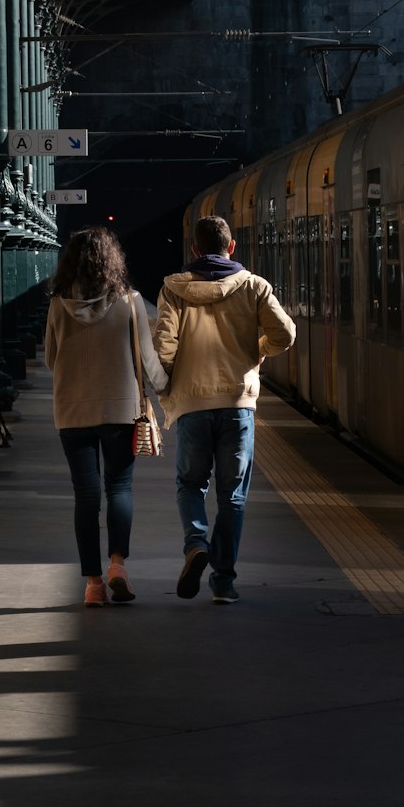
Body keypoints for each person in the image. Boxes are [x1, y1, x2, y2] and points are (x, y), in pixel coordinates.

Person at [154, 214, 296, 603]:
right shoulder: (254, 286)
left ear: (195, 250)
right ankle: (224, 582)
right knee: (232, 494)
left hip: (192, 404)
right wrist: (258, 350)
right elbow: (285, 334)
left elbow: (163, 346)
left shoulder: (174, 290)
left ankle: (196, 543)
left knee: (190, 484)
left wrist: (170, 378)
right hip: (237, 405)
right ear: (231, 247)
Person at [44, 226, 168, 607]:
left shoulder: (58, 304)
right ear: (112, 261)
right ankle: (117, 566)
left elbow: (51, 360)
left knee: (85, 496)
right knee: (119, 488)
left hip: (72, 411)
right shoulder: (130, 302)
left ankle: (93, 584)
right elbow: (148, 362)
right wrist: (167, 390)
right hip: (121, 410)